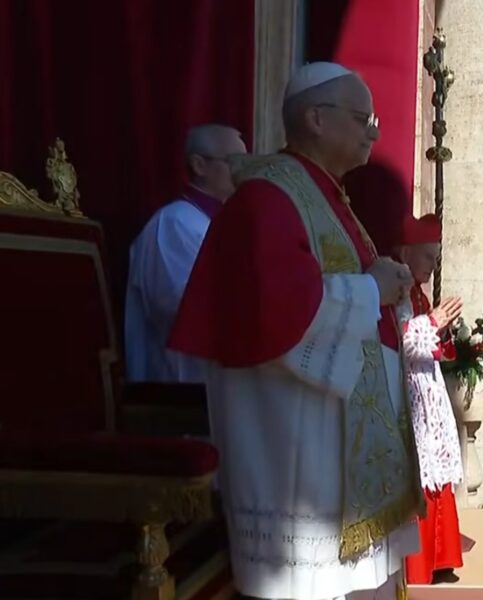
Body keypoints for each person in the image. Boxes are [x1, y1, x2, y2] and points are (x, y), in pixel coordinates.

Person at [167, 63, 421, 600]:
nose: (373, 131)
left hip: (327, 432)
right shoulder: (268, 199)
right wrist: (373, 289)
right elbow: (281, 312)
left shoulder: (323, 195)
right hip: (294, 438)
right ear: (316, 119)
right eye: (362, 118)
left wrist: (386, 288)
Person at [125, 124, 247, 383]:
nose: (243, 173)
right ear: (199, 165)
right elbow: (182, 307)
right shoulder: (175, 224)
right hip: (181, 387)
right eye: (234, 162)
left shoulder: (222, 222)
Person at [393, 214, 465, 585]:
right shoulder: (396, 289)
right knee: (422, 471)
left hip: (428, 389)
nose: (433, 267)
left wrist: (442, 329)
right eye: (428, 257)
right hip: (407, 393)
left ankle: (439, 558)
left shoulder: (417, 291)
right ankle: (418, 564)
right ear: (406, 252)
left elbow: (427, 343)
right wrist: (433, 322)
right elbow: (397, 339)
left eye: (436, 259)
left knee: (437, 471)